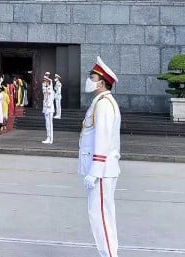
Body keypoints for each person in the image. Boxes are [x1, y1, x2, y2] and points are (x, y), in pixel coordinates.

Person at [79, 57, 121, 257]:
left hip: (102, 172)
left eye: (92, 77)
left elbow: (102, 139)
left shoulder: (103, 105)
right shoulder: (100, 103)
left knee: (101, 217)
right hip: (102, 171)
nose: (89, 80)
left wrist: (94, 171)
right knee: (101, 216)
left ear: (101, 82)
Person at [41, 75, 55, 144]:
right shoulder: (46, 89)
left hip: (49, 109)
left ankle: (50, 139)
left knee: (50, 124)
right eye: (44, 81)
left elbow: (50, 99)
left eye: (46, 81)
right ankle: (48, 138)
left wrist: (47, 106)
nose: (44, 82)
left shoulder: (50, 89)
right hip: (46, 108)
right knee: (47, 124)